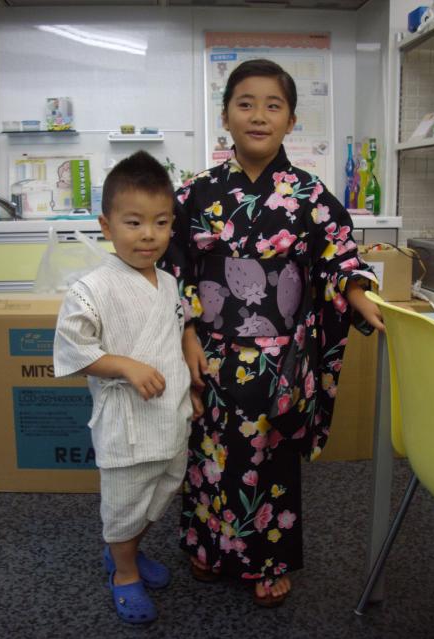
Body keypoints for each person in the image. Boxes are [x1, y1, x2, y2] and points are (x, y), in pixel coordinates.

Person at [160, 59, 384, 607]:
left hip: (282, 354)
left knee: (269, 453)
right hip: (211, 347)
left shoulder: (308, 193)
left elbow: (338, 254)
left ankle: (268, 560)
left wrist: (355, 290)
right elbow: (173, 266)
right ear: (225, 117)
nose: (258, 116)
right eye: (245, 104)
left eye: (273, 106)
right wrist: (186, 333)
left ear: (290, 121)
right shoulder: (195, 193)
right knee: (208, 449)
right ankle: (208, 545)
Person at [53, 151, 202, 624]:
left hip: (169, 416)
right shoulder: (91, 288)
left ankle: (128, 550)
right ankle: (124, 572)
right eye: (134, 222)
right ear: (107, 225)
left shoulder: (170, 284)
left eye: (161, 222)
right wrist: (123, 365)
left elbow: (172, 342)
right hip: (127, 424)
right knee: (123, 506)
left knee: (161, 493)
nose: (148, 235)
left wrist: (188, 390)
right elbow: (73, 351)